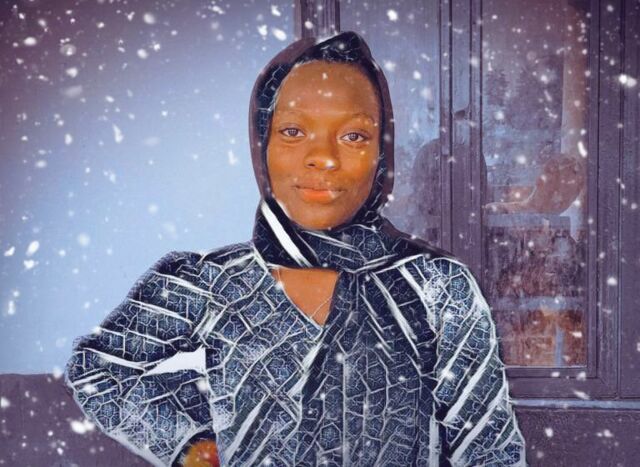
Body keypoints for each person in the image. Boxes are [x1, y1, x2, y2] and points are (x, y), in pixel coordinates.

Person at [65, 31, 527, 467]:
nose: (323, 157)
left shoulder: (437, 288)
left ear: (380, 154)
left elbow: (489, 450)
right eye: (292, 131)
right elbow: (97, 369)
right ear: (262, 144)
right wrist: (191, 444)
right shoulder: (215, 282)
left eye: (353, 136)